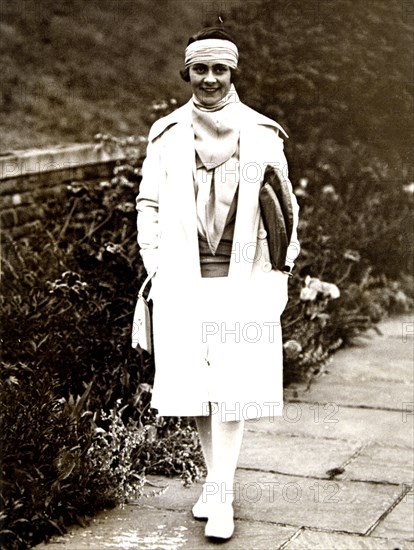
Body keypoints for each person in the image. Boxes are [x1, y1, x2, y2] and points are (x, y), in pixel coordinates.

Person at [136, 27, 300, 541]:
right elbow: (149, 204)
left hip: (244, 281)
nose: (210, 79)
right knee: (199, 389)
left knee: (233, 388)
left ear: (232, 73)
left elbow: (288, 209)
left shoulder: (262, 135)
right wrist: (159, 267)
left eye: (219, 70)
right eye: (200, 69)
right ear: (187, 73)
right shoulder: (166, 134)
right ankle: (216, 480)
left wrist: (281, 273)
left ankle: (222, 495)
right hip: (185, 283)